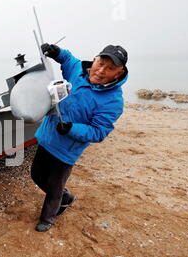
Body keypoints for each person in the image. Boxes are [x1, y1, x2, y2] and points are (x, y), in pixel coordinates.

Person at [31, 44, 129, 232]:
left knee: (54, 185)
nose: (101, 71)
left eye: (110, 68)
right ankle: (66, 196)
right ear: (94, 60)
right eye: (100, 63)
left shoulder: (114, 101)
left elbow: (98, 132)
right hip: (47, 136)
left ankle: (48, 218)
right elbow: (68, 59)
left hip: (67, 150)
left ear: (118, 73)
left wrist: (71, 129)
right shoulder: (78, 72)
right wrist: (56, 51)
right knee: (36, 174)